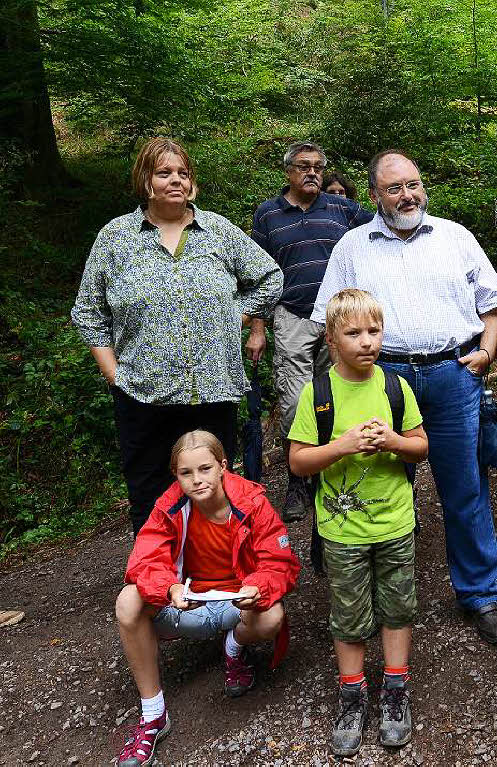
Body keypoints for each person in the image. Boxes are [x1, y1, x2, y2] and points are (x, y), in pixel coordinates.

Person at [312, 150, 497, 645]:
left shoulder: (455, 236)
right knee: (372, 484)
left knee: (464, 488)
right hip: (381, 380)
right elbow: (328, 320)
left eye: (414, 184)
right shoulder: (353, 247)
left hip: (451, 374)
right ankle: (371, 591)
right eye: (394, 188)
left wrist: (486, 351)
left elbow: (494, 301)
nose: (408, 195)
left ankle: (479, 592)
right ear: (376, 196)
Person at [72, 138, 283, 536]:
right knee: (150, 495)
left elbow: (270, 277)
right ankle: (159, 584)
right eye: (164, 172)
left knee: (213, 491)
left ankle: (214, 582)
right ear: (145, 179)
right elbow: (88, 312)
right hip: (142, 394)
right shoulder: (116, 237)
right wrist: (114, 374)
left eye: (183, 173)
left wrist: (235, 314)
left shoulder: (218, 231)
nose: (176, 181)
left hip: (212, 390)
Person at [289, 289, 429, 755]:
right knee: (348, 615)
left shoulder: (394, 387)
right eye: (354, 333)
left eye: (374, 330)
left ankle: (394, 690)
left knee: (398, 607)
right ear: (330, 338)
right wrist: (342, 446)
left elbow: (420, 445)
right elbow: (298, 462)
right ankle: (352, 694)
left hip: (395, 523)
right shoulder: (319, 394)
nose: (367, 341)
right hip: (342, 532)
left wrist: (392, 440)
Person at [113, 430, 299, 767]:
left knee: (272, 616)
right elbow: (145, 561)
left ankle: (234, 649)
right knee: (128, 600)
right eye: (186, 473)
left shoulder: (251, 503)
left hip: (234, 601)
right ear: (176, 475)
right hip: (186, 602)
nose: (197, 480)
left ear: (223, 466)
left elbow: (279, 561)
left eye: (205, 469)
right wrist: (170, 590)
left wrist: (256, 587)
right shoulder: (169, 506)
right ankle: (154, 715)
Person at [250, 141, 373, 522]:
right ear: (288, 171)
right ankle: (298, 480)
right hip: (291, 315)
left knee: (338, 395)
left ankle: (338, 475)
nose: (312, 173)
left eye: (318, 167)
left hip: (339, 318)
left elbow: (383, 228)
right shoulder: (268, 214)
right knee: (294, 403)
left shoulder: (342, 208)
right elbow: (256, 274)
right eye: (304, 166)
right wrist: (257, 328)